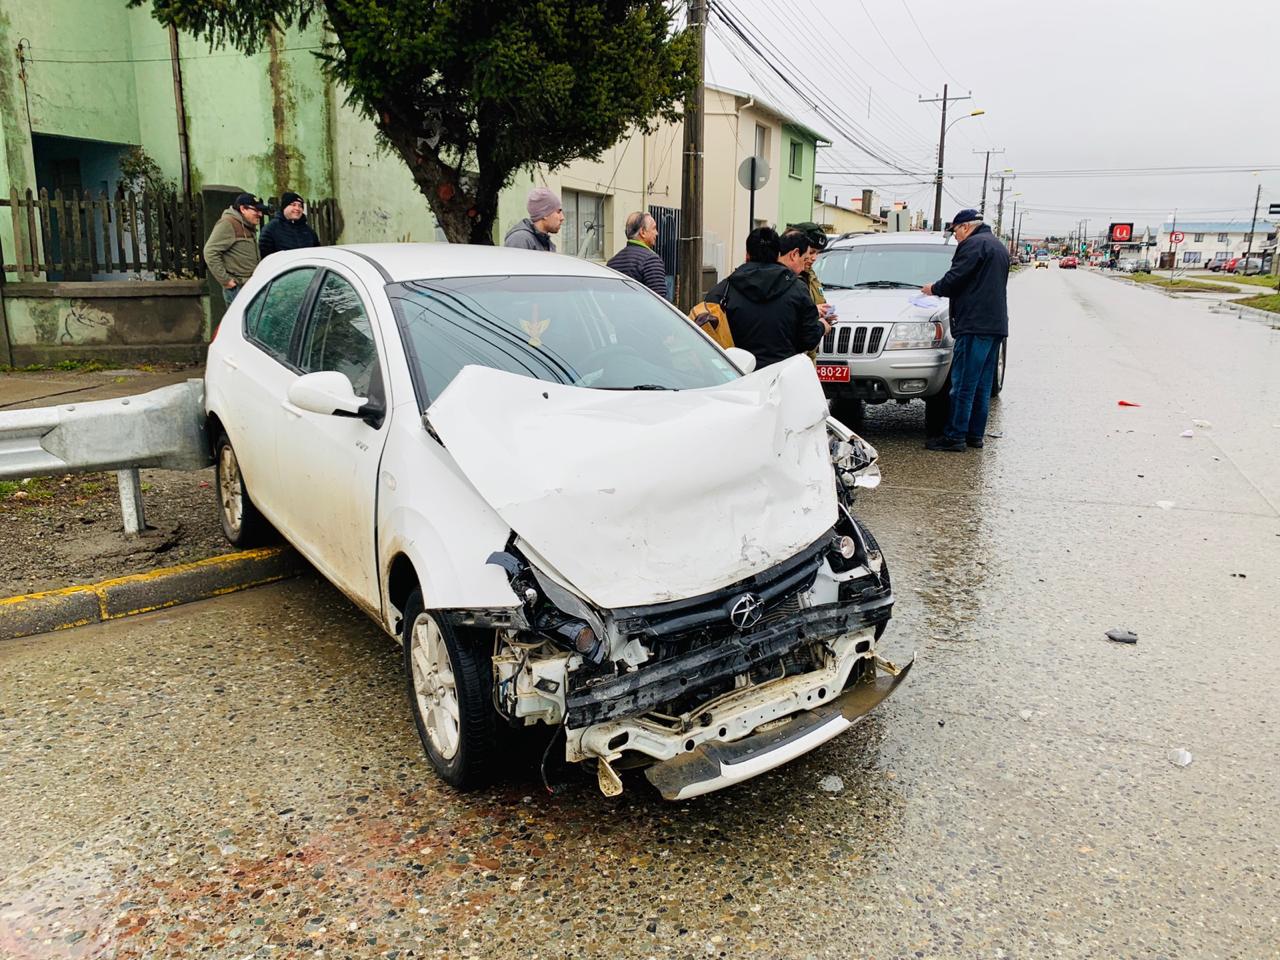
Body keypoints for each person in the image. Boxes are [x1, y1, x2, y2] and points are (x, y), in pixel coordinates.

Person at [920, 208, 1010, 452]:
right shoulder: (998, 246)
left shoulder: (972, 245)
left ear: (966, 227)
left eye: (956, 231)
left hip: (974, 324)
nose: (955, 237)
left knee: (963, 384)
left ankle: (955, 436)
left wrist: (933, 288)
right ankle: (974, 436)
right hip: (995, 326)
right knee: (981, 385)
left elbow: (956, 278)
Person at [704, 226, 829, 369]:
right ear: (777, 254)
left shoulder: (723, 291)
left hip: (738, 378)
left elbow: (708, 337)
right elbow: (808, 340)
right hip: (781, 378)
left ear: (747, 254)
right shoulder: (798, 289)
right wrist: (821, 326)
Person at [204, 193, 267, 304]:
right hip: (237, 288)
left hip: (249, 285)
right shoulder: (228, 223)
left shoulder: (247, 225)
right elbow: (210, 252)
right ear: (243, 209)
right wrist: (226, 280)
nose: (260, 214)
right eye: (256, 211)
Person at [606, 211, 667, 298]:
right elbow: (660, 300)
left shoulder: (612, 262)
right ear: (642, 232)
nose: (656, 233)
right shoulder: (651, 260)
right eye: (654, 228)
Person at [259, 191, 320, 258]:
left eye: (300, 206)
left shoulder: (309, 232)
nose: (297, 208)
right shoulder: (271, 229)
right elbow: (265, 256)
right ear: (284, 207)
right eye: (293, 205)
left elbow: (316, 252)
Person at [504, 187, 564, 251]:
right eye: (558, 212)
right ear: (545, 214)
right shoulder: (519, 240)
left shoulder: (546, 243)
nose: (562, 217)